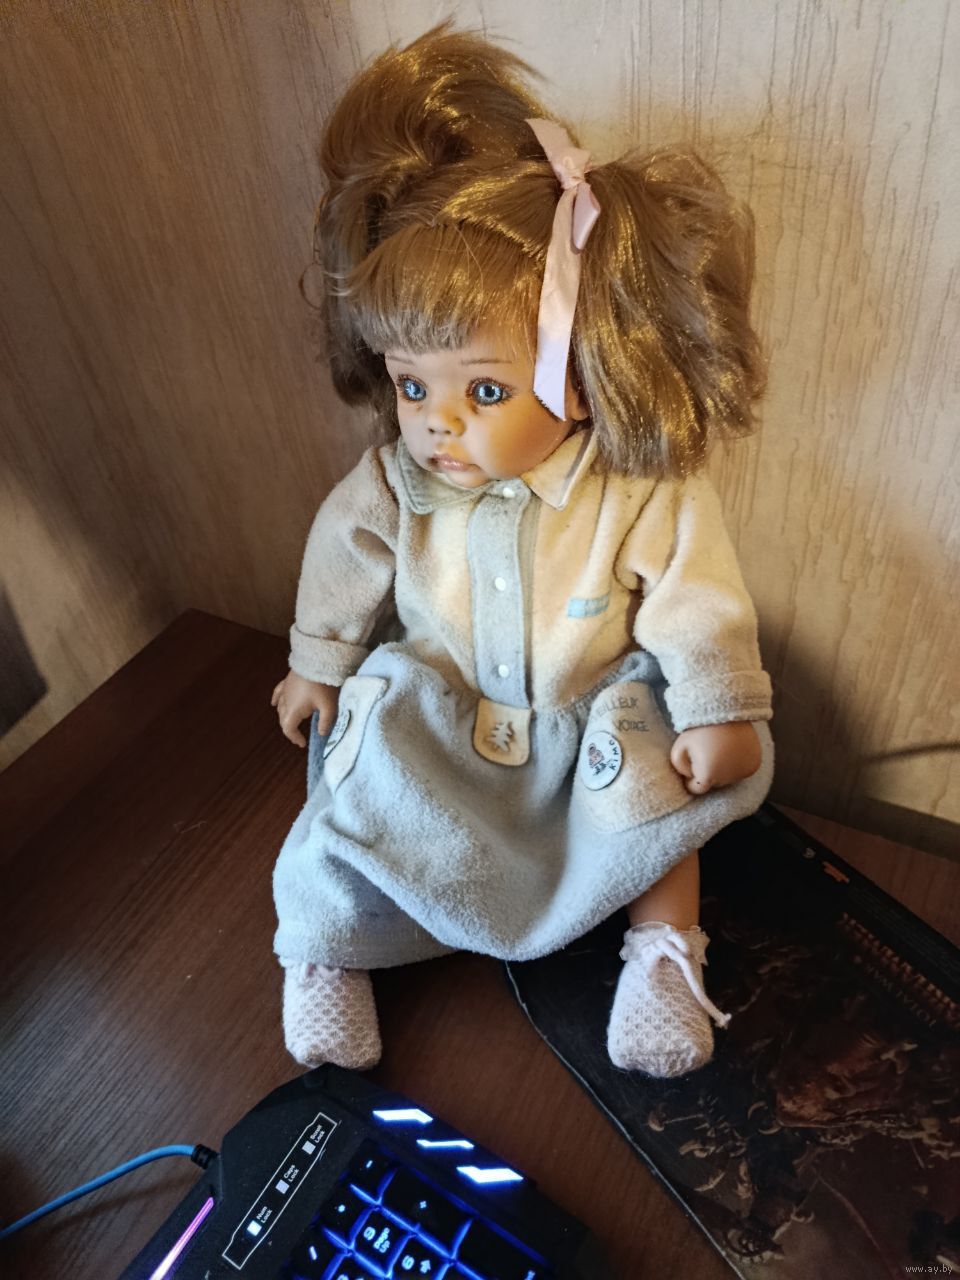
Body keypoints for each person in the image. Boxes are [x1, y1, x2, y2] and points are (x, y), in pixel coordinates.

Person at [270, 23, 774, 1079]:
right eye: (413, 384)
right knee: (351, 797)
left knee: (660, 808)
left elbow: (698, 599)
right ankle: (324, 944)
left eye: (484, 389)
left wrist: (719, 706)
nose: (436, 421)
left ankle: (663, 953)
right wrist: (318, 661)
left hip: (590, 721)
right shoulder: (397, 482)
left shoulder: (635, 489)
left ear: (580, 374)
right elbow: (343, 556)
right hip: (443, 710)